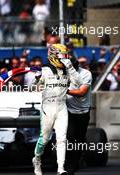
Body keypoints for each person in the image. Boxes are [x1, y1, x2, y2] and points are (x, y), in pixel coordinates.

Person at [32, 44, 81, 175]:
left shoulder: (68, 69)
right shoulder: (45, 70)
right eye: (63, 55)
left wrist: (70, 66)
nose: (66, 58)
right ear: (54, 56)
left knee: (61, 138)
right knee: (45, 139)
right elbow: (33, 87)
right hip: (48, 106)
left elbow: (78, 82)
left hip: (62, 106)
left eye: (66, 55)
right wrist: (36, 78)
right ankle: (37, 160)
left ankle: (61, 168)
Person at [64, 58, 92, 175]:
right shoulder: (64, 74)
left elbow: (81, 93)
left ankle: (75, 162)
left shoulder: (86, 74)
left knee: (79, 139)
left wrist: (65, 90)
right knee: (69, 137)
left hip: (82, 111)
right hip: (69, 111)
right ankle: (69, 165)